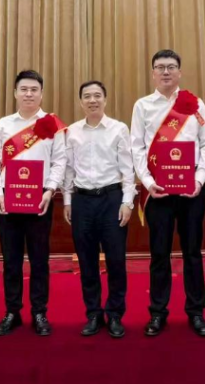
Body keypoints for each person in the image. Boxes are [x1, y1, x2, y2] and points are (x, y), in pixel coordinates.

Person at [130, 49, 205, 337]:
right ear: (153, 73)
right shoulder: (142, 106)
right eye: (160, 67)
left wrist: (199, 179)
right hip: (159, 190)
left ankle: (196, 312)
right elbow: (137, 148)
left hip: (191, 189)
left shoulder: (195, 104)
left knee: (193, 252)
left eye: (171, 67)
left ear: (180, 72)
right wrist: (147, 181)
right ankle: (158, 313)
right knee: (159, 253)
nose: (165, 72)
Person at [0, 70, 67, 336]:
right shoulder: (4, 125)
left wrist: (50, 190)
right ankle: (12, 311)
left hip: (40, 200)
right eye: (24, 89)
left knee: (39, 260)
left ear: (41, 94)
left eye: (34, 90)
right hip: (8, 200)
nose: (29, 94)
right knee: (11, 260)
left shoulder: (52, 124)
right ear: (15, 93)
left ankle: (39, 312)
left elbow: (60, 161)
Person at [63, 80, 135, 338]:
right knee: (87, 261)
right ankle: (93, 313)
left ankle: (115, 314)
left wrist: (127, 202)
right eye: (87, 96)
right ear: (80, 101)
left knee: (116, 260)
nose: (92, 100)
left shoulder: (119, 129)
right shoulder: (72, 131)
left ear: (105, 99)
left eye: (97, 95)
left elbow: (128, 169)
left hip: (112, 199)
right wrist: (68, 201)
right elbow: (68, 169)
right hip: (82, 201)